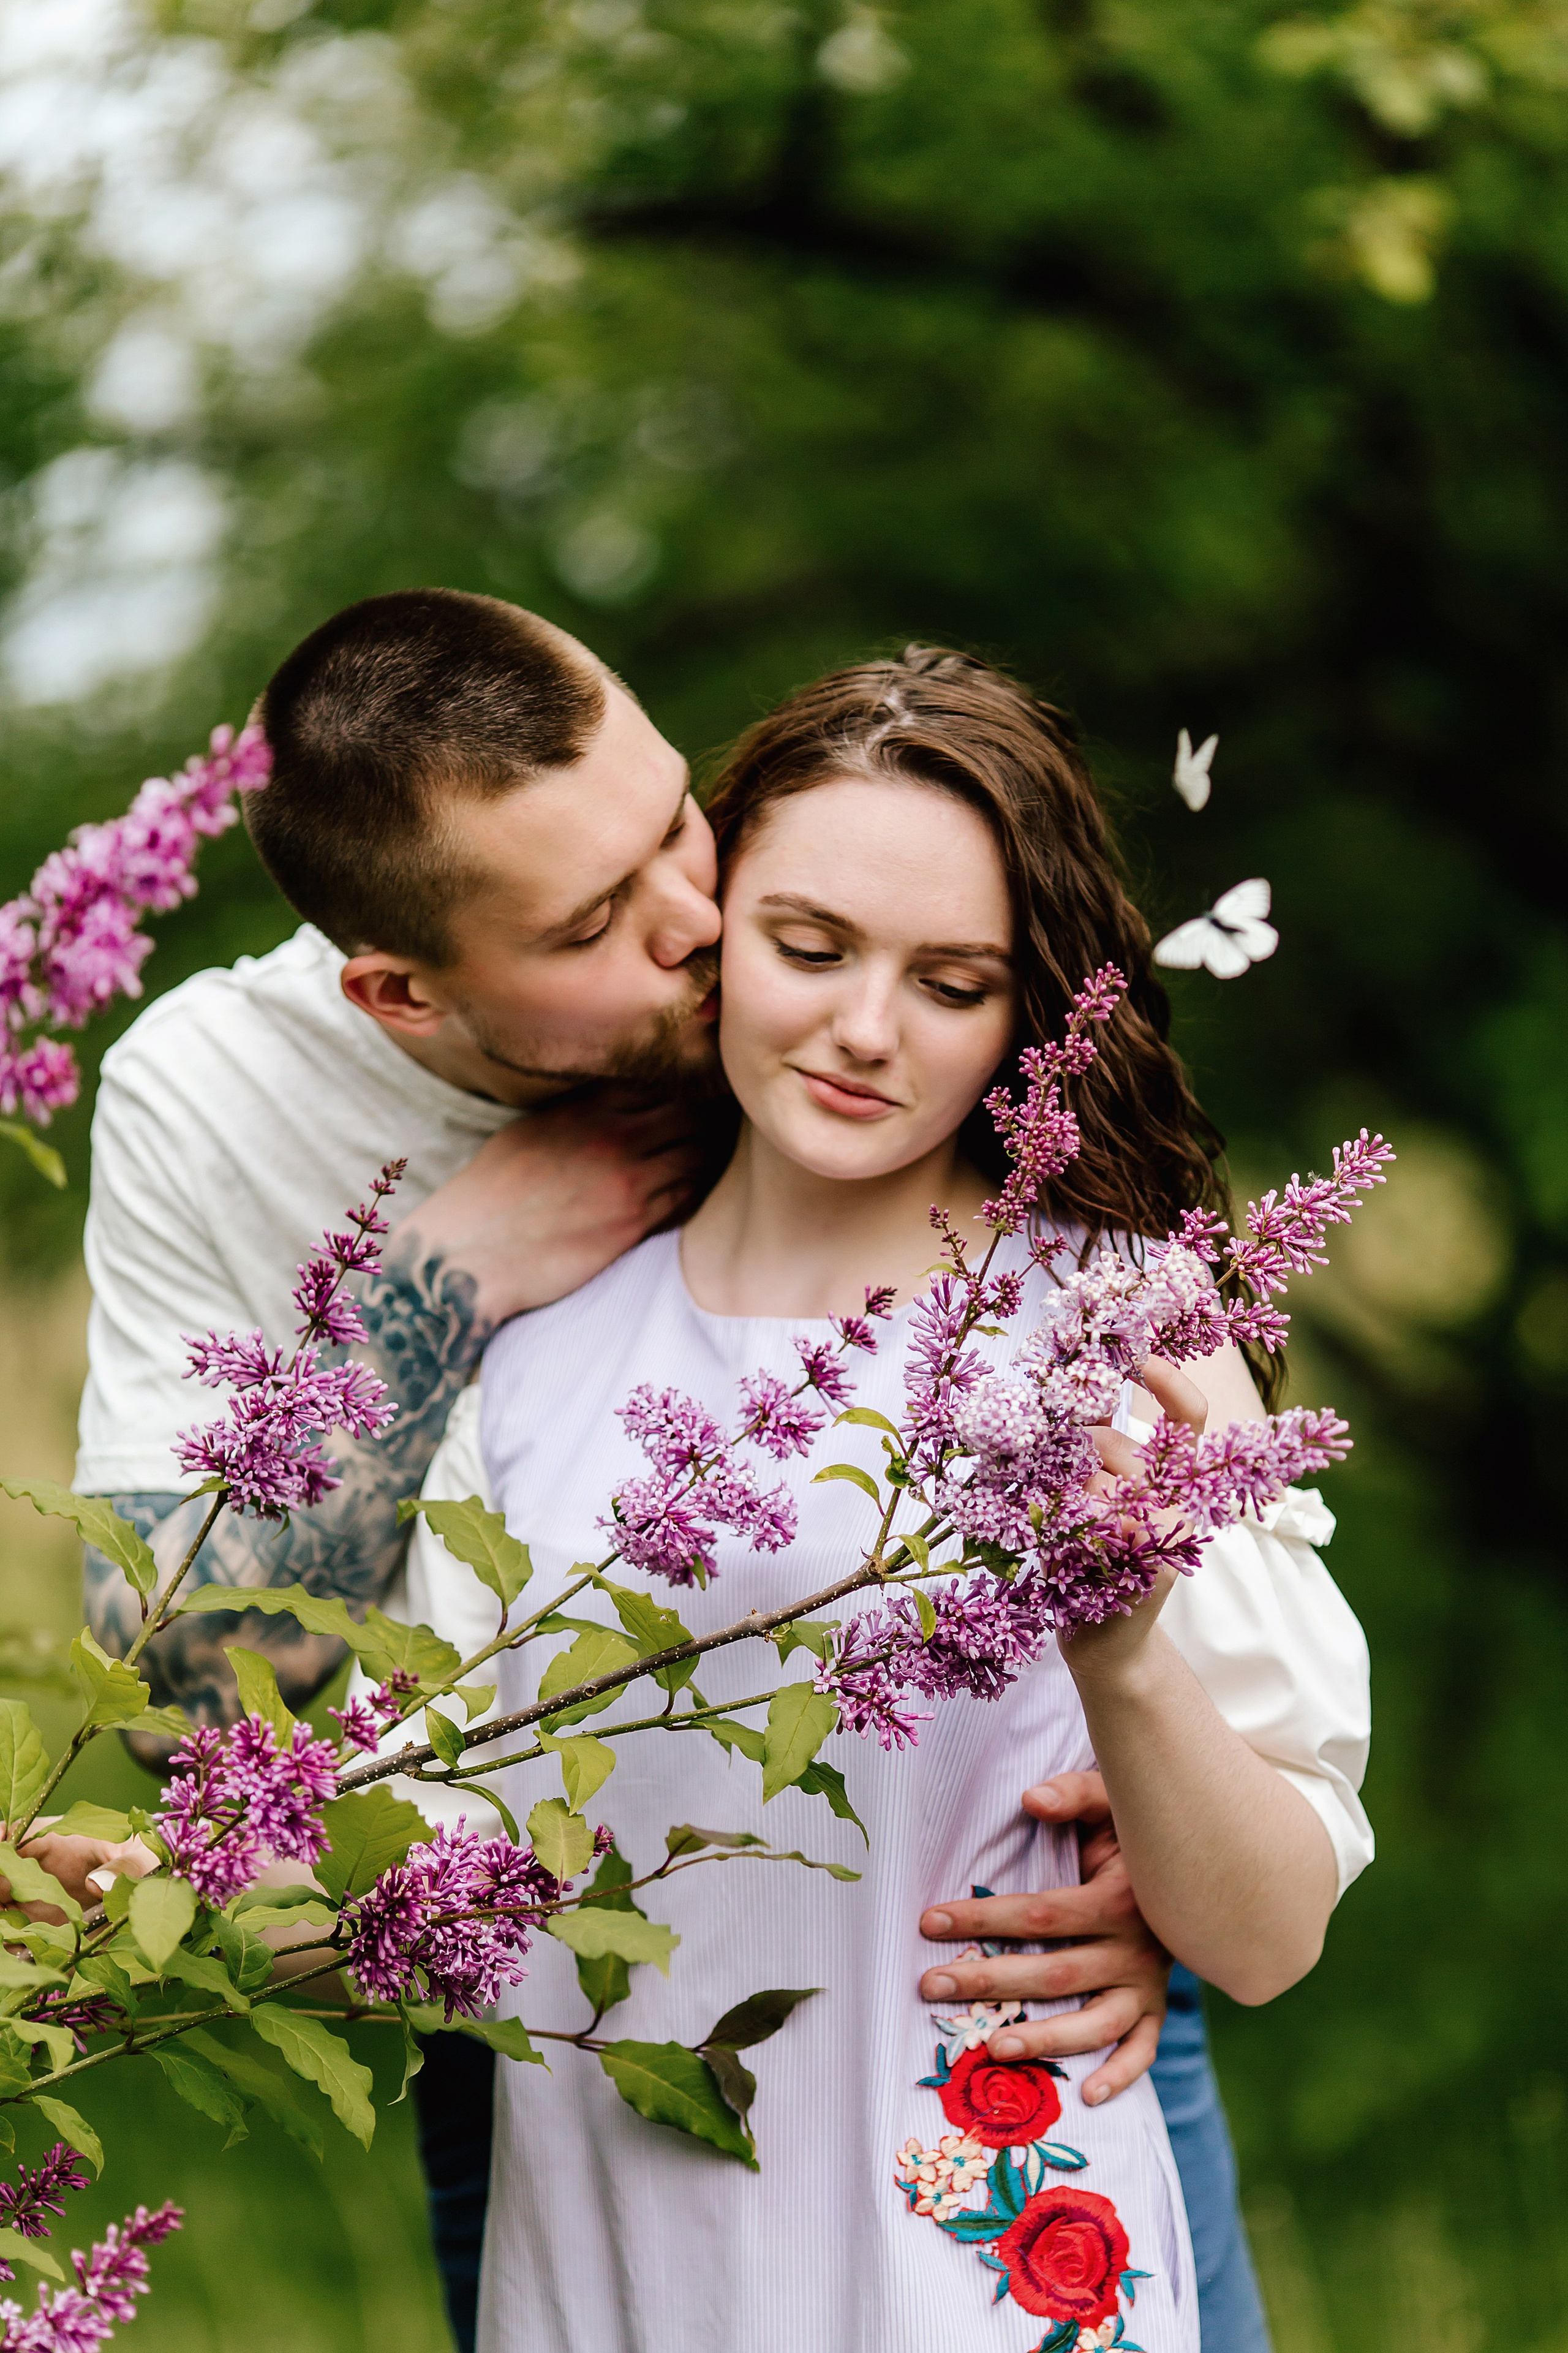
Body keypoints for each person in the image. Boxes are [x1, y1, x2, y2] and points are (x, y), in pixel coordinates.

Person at [67, 600, 1362, 2350]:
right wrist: (439, 1284)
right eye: (610, 923)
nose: (695, 928)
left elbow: (1269, 1873)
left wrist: (1148, 1734)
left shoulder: (1084, 1309)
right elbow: (230, 1709)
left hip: (1004, 2058)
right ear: (408, 990)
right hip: (596, 2100)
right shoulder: (249, 1125)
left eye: (681, 830)